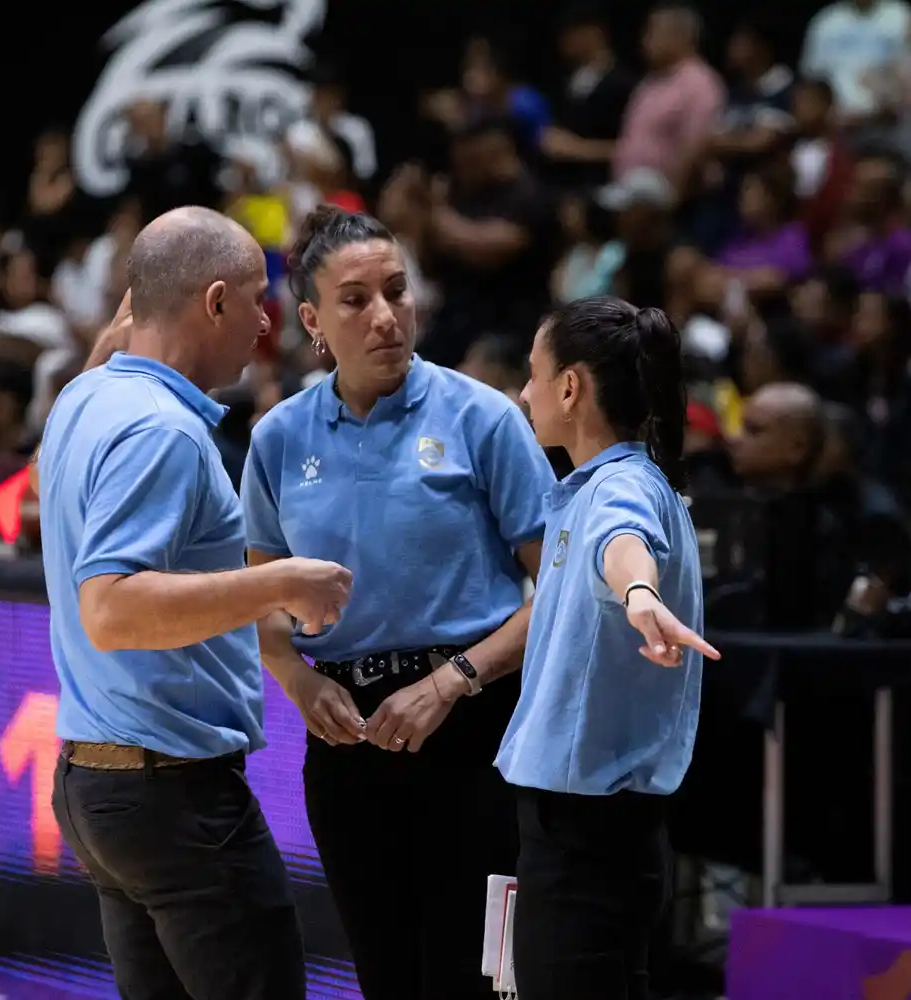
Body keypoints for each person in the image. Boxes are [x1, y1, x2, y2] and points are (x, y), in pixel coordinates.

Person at [39, 207, 354, 1000]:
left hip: (98, 788)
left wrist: (111, 351)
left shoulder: (83, 400)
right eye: (255, 300)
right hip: (173, 797)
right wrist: (281, 583)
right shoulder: (162, 434)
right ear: (214, 302)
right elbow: (109, 609)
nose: (265, 323)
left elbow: (50, 485)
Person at [239, 204, 553, 1000]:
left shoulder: (482, 419)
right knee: (383, 974)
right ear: (311, 319)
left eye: (397, 291)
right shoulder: (278, 437)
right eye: (355, 300)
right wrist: (300, 681)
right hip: (346, 737)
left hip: (471, 723)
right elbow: (262, 599)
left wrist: (453, 682)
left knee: (472, 979)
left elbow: (560, 592)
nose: (385, 317)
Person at [499, 296, 719, 1000]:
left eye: (533, 375)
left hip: (589, 835)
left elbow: (621, 547)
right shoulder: (604, 484)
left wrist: (641, 597)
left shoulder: (621, 487)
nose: (523, 393)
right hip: (590, 828)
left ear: (571, 387)